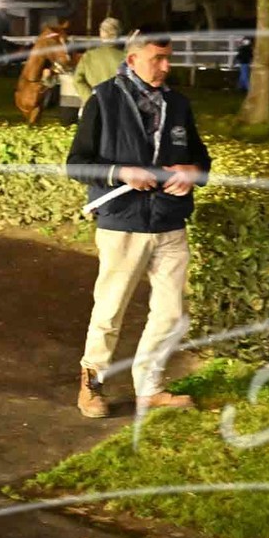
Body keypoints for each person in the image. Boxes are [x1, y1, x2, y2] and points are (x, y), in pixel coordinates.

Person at [66, 31, 211, 419]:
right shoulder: (103, 99)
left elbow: (201, 159)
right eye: (157, 59)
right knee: (109, 312)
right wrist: (120, 172)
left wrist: (192, 171)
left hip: (169, 222)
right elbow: (76, 164)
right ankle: (91, 384)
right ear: (132, 60)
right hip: (122, 223)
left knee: (171, 313)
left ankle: (150, 388)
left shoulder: (178, 104)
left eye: (168, 58)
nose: (166, 66)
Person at [68, 17, 125, 116]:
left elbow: (77, 80)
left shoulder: (89, 56)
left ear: (101, 33)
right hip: (119, 109)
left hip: (93, 109)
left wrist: (90, 99)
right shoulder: (126, 58)